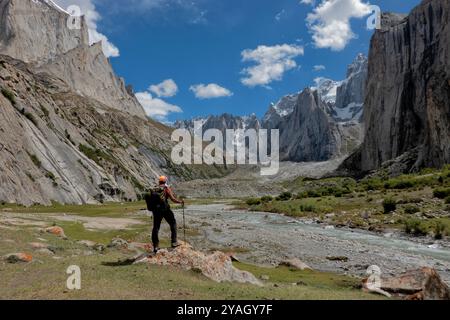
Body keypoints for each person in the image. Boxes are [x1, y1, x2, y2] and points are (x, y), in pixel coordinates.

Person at [149, 176, 184, 253]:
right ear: (165, 181)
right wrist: (180, 202)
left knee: (156, 227)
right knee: (173, 223)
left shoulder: (155, 189)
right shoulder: (166, 188)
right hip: (165, 209)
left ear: (159, 181)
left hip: (156, 211)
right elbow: (172, 199)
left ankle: (155, 246)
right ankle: (174, 242)